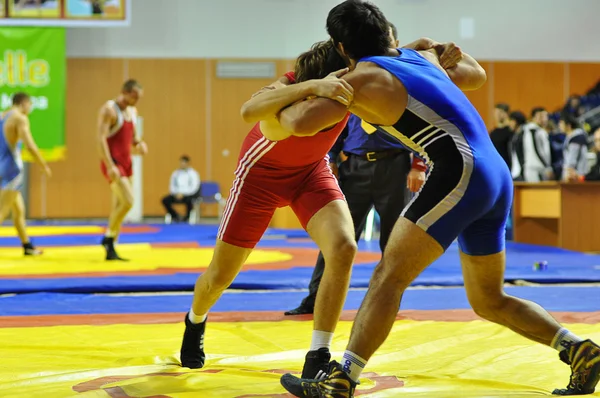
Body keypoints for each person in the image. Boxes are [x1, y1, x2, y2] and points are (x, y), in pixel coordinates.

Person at [279, 1, 600, 396]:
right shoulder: (422, 55)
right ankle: (578, 349)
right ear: (387, 33)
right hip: (495, 176)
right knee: (487, 298)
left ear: (342, 48)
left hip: (459, 171)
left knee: (388, 276)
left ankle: (341, 379)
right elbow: (476, 75)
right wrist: (443, 50)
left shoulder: (359, 81)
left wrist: (303, 86)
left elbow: (297, 123)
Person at [284, 23, 427, 316]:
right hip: (355, 166)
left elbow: (419, 124)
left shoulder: (400, 78)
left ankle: (387, 302)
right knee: (337, 237)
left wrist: (417, 164)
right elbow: (335, 123)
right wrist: (332, 160)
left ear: (394, 42)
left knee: (396, 240)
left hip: (395, 165)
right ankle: (315, 298)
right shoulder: (351, 78)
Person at [97, 79, 148, 261]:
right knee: (128, 201)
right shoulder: (109, 110)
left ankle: (111, 248)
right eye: (134, 96)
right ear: (124, 92)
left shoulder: (133, 111)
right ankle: (108, 238)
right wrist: (110, 166)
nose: (137, 100)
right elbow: (101, 139)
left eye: (139, 97)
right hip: (114, 163)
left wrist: (140, 144)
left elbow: (133, 137)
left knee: (118, 206)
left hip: (127, 163)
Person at [0, 92, 51, 256]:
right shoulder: (20, 118)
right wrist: (43, 164)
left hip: (2, 166)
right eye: (30, 105)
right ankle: (27, 245)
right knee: (2, 210)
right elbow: (29, 144)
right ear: (24, 103)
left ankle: (27, 245)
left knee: (19, 210)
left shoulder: (3, 116)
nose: (30, 108)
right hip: (12, 170)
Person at [162, 155, 201, 222]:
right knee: (165, 200)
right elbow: (172, 185)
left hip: (188, 194)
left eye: (184, 163)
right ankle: (175, 216)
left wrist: (183, 193)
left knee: (190, 201)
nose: (182, 164)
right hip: (177, 194)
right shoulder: (175, 173)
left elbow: (194, 187)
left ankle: (186, 218)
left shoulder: (193, 173)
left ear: (187, 163)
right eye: (181, 162)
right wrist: (176, 193)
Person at [560, 115, 589, 182]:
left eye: (561, 123)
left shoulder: (576, 138)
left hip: (576, 175)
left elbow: (572, 159)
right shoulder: (572, 136)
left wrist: (568, 174)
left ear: (568, 125)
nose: (559, 125)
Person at [489, 103, 513, 169]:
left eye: (500, 112)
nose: (497, 115)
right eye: (496, 113)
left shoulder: (510, 131)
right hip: (497, 165)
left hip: (509, 165)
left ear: (506, 114)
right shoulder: (493, 132)